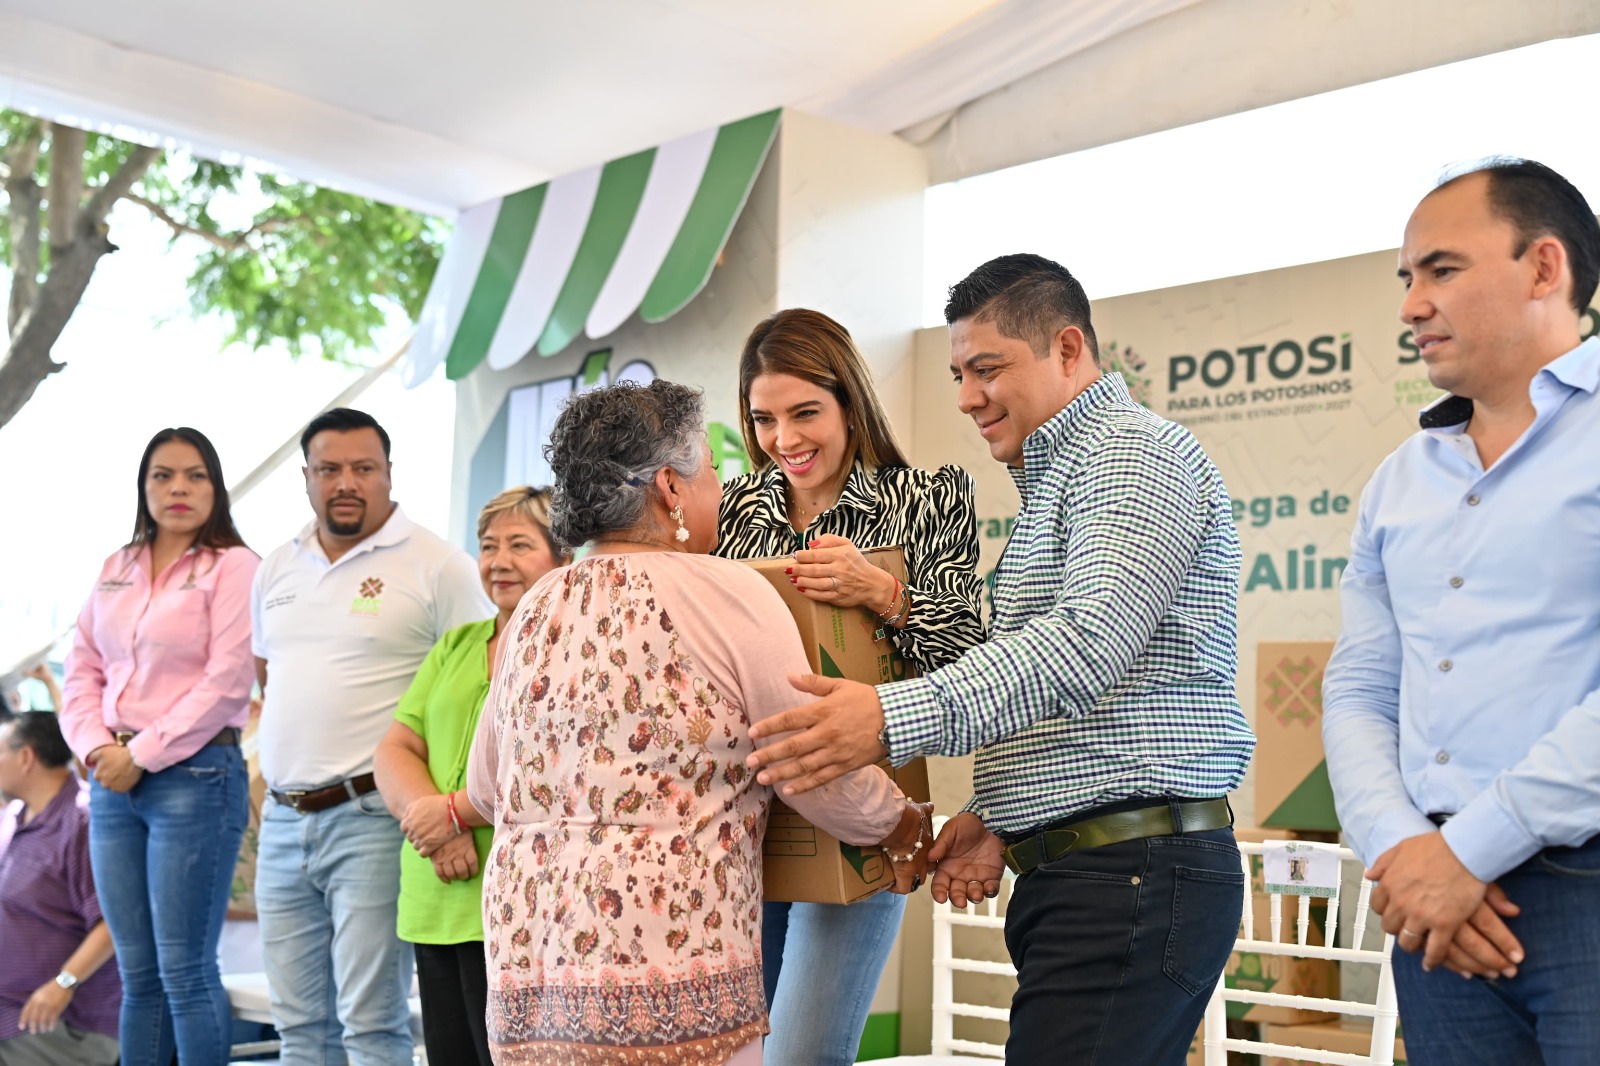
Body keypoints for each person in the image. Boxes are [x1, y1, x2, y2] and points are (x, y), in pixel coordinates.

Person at [744, 255, 1256, 1064]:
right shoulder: (1058, 482)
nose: (967, 397)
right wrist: (998, 815)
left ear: (1067, 347)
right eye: (957, 373)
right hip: (1088, 869)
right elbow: (1055, 688)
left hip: (1132, 871)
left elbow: (1085, 647)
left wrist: (884, 714)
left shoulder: (1129, 458)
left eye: (988, 368)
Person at [466, 380, 933, 1065]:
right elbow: (809, 764)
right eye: (711, 470)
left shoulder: (535, 608)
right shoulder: (728, 590)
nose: (722, 485)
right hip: (674, 974)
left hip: (533, 975)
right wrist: (903, 825)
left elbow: (485, 789)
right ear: (670, 488)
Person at [1322, 158, 1600, 1063]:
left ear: (1544, 268)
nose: (1411, 304)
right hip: (1432, 910)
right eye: (1407, 278)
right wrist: (1407, 852)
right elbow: (1361, 684)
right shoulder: (1400, 480)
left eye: (1441, 269)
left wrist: (1467, 854)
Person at [715, 308, 984, 1065]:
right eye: (763, 419)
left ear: (851, 401)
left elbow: (969, 660)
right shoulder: (732, 509)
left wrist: (884, 593)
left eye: (806, 413)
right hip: (743, 818)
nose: (785, 441)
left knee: (802, 1053)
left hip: (863, 814)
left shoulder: (927, 497)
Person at [251, 407, 490, 1065]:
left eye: (363, 468)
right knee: (297, 1030)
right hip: (281, 820)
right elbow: (270, 677)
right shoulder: (275, 568)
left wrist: (448, 813)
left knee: (371, 1023)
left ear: (388, 474)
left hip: (374, 820)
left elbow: (477, 682)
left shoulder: (439, 566)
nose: (346, 482)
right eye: (330, 469)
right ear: (307, 477)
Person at [60, 426, 257, 1066]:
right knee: (136, 975)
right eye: (162, 475)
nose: (178, 488)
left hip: (195, 776)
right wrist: (95, 749)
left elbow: (227, 679)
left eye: (195, 475)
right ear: (143, 487)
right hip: (112, 783)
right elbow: (82, 669)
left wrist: (138, 752)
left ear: (216, 486)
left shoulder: (234, 566)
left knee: (185, 971)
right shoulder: (115, 567)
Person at [374, 486, 567, 1066]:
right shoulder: (457, 643)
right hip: (435, 895)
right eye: (488, 546)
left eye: (519, 545)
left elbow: (557, 767)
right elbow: (396, 746)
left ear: (563, 557)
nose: (498, 561)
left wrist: (457, 812)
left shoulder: (569, 646)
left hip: (519, 902)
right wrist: (435, 823)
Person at [0, 713, 121, 1066]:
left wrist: (62, 984)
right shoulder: (14, 818)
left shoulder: (83, 821)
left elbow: (113, 921)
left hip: (58, 1024)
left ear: (26, 757)